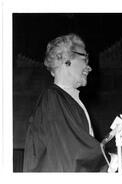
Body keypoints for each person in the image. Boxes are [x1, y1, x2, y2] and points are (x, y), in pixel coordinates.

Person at [23, 33, 108, 172]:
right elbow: (75, 152)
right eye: (85, 58)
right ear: (66, 60)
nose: (89, 67)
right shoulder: (53, 98)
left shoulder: (65, 99)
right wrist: (110, 160)